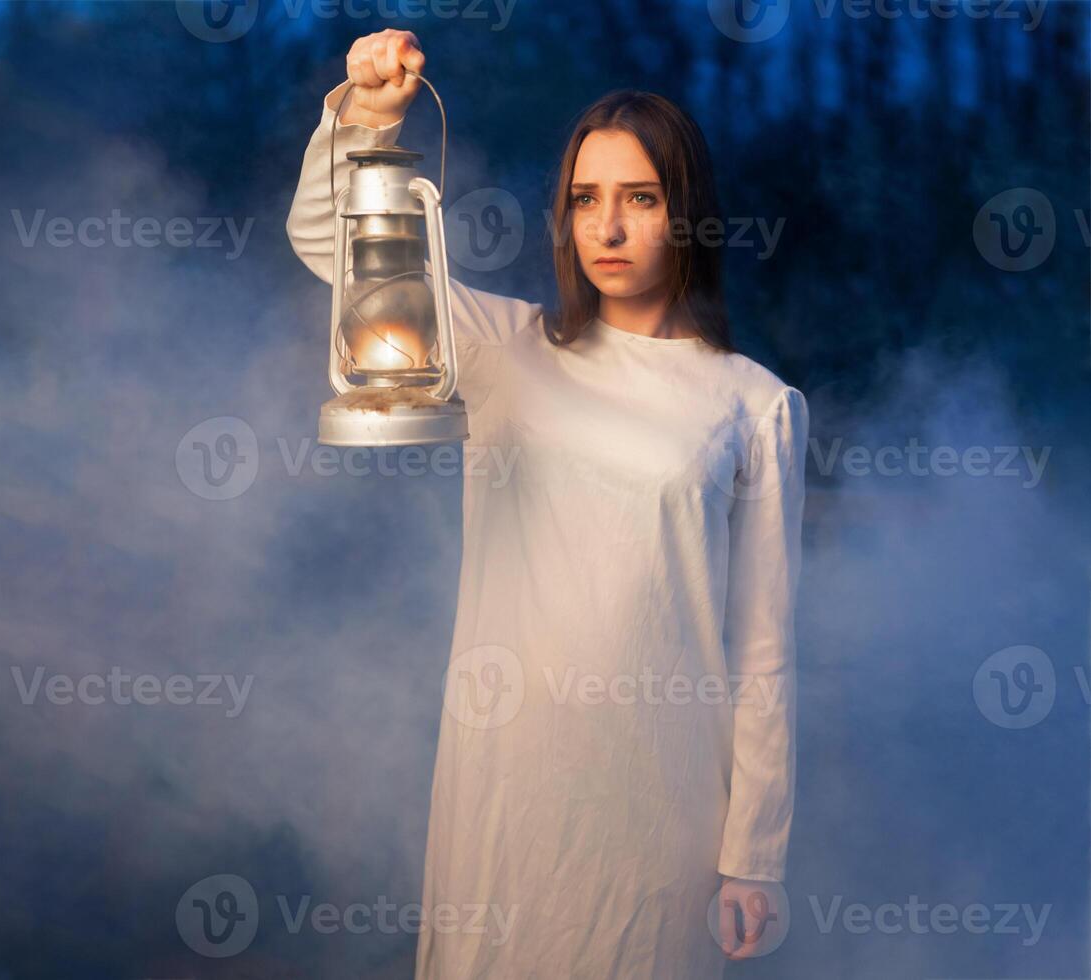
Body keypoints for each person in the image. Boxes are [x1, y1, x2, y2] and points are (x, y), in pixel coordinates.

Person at [286, 28, 809, 979]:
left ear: (685, 211)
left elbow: (762, 649)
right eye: (584, 200)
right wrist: (368, 114)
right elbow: (334, 251)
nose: (607, 229)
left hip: (663, 798)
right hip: (508, 782)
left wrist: (753, 857)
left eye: (640, 199)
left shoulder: (756, 404)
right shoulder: (503, 349)